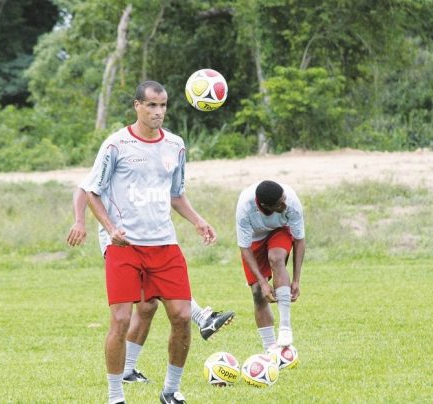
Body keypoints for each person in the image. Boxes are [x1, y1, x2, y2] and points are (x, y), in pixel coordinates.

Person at [82, 80, 220, 404]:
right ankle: (116, 396)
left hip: (165, 245)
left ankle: (171, 391)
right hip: (125, 247)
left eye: (163, 106)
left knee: (183, 316)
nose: (158, 112)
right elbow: (91, 191)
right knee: (120, 320)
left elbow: (176, 195)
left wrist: (199, 221)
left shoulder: (176, 145)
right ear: (137, 106)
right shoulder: (116, 145)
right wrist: (110, 228)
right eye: (152, 106)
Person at [67, 186, 235, 385]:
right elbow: (84, 188)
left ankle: (127, 371)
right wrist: (79, 220)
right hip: (119, 240)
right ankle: (202, 317)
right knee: (142, 302)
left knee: (147, 306)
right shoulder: (113, 155)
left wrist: (197, 220)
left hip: (147, 238)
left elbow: (173, 194)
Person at [235, 180, 305, 352]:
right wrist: (264, 282)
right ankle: (270, 350)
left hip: (280, 230)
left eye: (284, 199)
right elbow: (244, 248)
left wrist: (296, 280)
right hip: (254, 238)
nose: (285, 204)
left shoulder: (292, 203)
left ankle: (285, 328)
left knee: (276, 258)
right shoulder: (245, 207)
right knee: (258, 292)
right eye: (280, 203)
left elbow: (299, 241)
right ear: (265, 206)